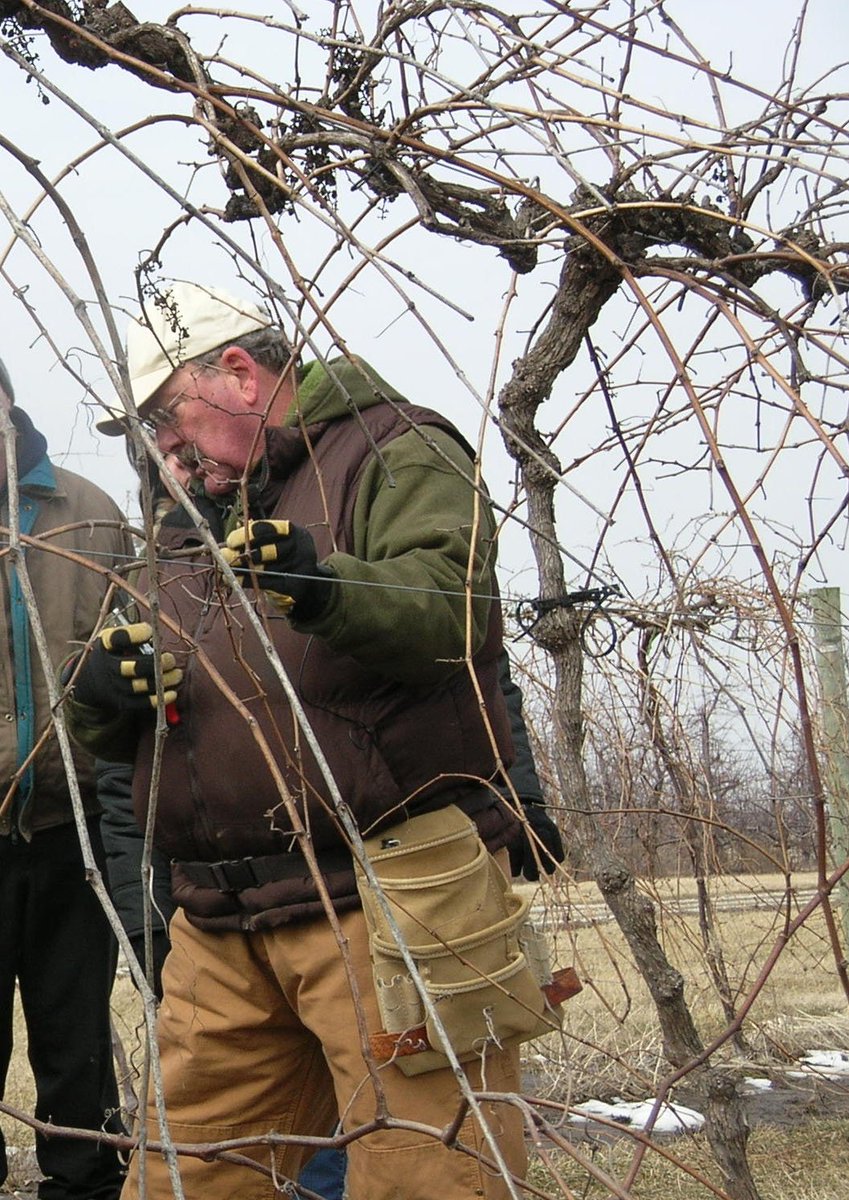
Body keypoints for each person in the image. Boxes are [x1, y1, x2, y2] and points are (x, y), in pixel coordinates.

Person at [65, 281, 565, 1200]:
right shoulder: (182, 528)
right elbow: (106, 726)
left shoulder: (394, 448)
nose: (167, 455)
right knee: (182, 1186)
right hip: (219, 920)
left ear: (241, 375)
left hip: (387, 901)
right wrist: (100, 699)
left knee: (430, 1179)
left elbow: (452, 613)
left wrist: (325, 584)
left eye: (167, 422)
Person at [0, 356, 134, 1200]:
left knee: (76, 1045)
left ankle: (84, 1187)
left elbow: (139, 661)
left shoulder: (91, 513)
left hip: (71, 831)